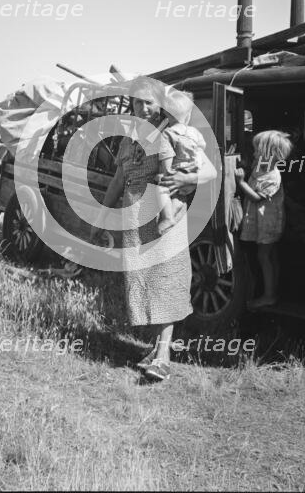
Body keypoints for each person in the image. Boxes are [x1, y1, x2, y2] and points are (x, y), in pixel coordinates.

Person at [90, 76, 217, 382]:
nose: (143, 107)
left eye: (149, 102)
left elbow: (211, 171)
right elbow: (118, 182)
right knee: (144, 283)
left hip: (165, 218)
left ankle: (163, 357)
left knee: (166, 280)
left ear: (159, 104)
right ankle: (157, 348)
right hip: (135, 220)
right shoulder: (128, 139)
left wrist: (187, 180)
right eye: (137, 101)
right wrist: (101, 219)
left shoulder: (174, 132)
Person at [235, 130, 292, 308]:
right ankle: (273, 288)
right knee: (270, 255)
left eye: (257, 151)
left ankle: (269, 295)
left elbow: (256, 197)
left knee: (264, 256)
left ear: (271, 155)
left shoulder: (273, 176)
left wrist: (241, 182)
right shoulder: (261, 166)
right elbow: (251, 166)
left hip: (269, 223)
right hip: (264, 222)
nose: (254, 154)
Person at [156, 89, 206, 235]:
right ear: (188, 114)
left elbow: (165, 162)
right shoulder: (195, 132)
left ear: (167, 113)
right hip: (192, 174)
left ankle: (168, 216)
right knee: (180, 196)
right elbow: (201, 148)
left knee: (162, 187)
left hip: (177, 171)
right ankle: (174, 212)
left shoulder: (168, 133)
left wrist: (163, 175)